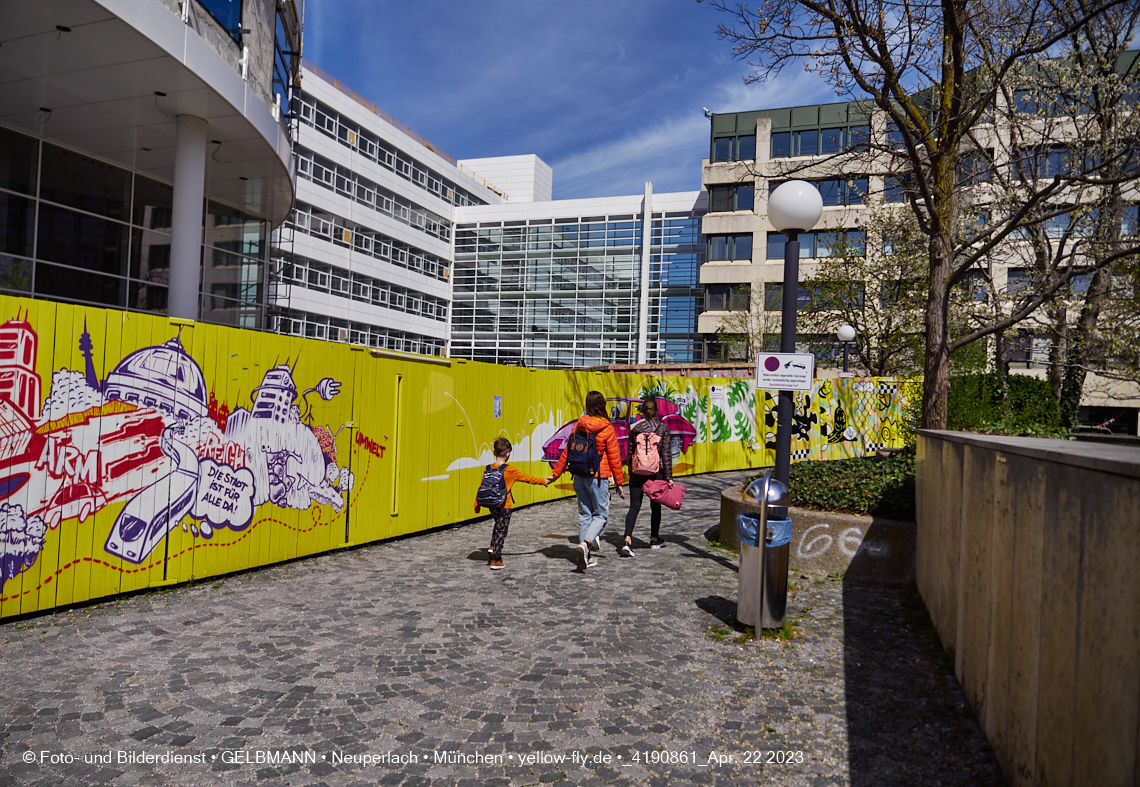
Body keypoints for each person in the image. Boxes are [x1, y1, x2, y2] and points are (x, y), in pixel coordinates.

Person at [547, 390, 625, 571]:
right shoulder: (606, 427)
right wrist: (619, 483)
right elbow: (614, 458)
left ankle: (586, 558)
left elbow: (567, 451)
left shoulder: (579, 424)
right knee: (601, 515)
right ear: (603, 405)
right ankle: (586, 544)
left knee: (584, 515)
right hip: (598, 478)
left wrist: (556, 474)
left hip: (579, 476)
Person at [474, 437, 548, 570]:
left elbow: (481, 486)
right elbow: (527, 478)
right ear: (508, 454)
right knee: (502, 530)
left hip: (491, 504)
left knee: (498, 524)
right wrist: (543, 481)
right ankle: (496, 560)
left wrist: (477, 504)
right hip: (504, 505)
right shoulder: (509, 469)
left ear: (494, 452)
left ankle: (492, 547)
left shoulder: (488, 468)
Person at [621, 398, 673, 556]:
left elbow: (629, 453)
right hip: (656, 472)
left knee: (634, 507)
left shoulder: (635, 428)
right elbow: (665, 454)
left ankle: (627, 540)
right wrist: (669, 477)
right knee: (655, 507)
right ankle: (654, 539)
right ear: (657, 411)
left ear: (642, 411)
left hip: (637, 472)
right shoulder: (663, 428)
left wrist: (631, 472)